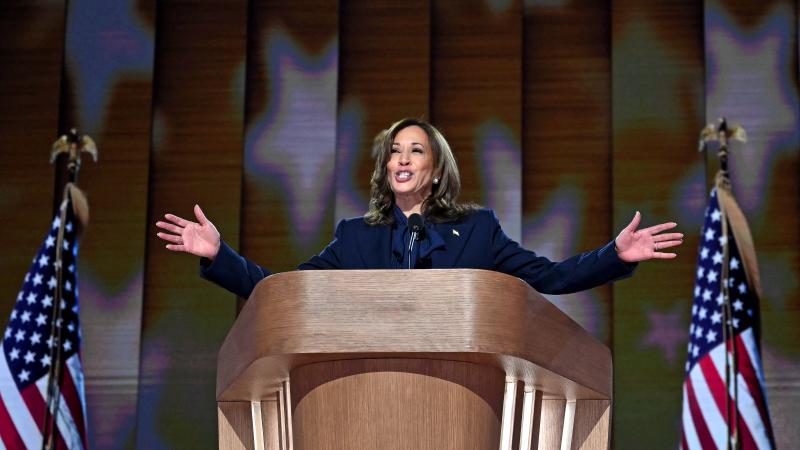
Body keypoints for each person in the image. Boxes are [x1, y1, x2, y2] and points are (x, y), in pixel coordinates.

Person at [156, 118, 682, 300]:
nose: (401, 158)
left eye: (416, 150)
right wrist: (220, 254)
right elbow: (283, 291)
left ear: (435, 169)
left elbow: (552, 277)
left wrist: (616, 255)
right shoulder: (355, 237)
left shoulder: (478, 231)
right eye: (394, 150)